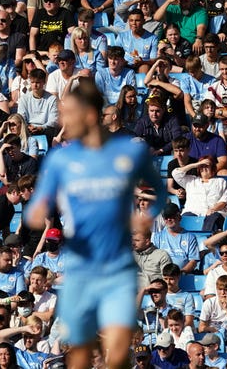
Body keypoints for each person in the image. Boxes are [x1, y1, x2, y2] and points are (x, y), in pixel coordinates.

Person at [24, 81, 165, 369]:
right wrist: (37, 212)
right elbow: (34, 211)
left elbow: (160, 192)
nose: (62, 121)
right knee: (80, 354)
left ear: (89, 115)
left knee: (117, 352)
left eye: (68, 114)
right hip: (79, 271)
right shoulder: (61, 158)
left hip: (117, 269)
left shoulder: (129, 152)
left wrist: (146, 215)